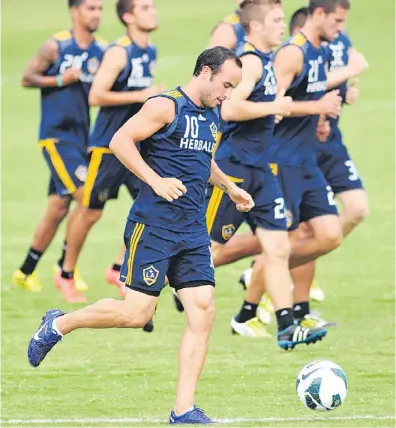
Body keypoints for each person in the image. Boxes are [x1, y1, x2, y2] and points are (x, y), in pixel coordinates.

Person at [28, 46, 254, 425]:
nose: (228, 94)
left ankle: (183, 410)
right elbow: (120, 140)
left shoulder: (212, 113)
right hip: (154, 226)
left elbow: (201, 157)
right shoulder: (165, 106)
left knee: (203, 309)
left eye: (233, 87)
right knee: (136, 314)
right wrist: (155, 180)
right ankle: (59, 323)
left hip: (192, 229)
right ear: (204, 72)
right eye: (226, 84)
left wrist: (229, 187)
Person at [208, 0, 329, 349]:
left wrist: (270, 114)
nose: (283, 25)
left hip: (262, 171)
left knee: (277, 247)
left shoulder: (269, 62)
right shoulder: (250, 63)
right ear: (256, 27)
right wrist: (274, 107)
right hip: (234, 171)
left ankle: (286, 325)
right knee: (207, 249)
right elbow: (230, 108)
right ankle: (146, 288)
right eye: (276, 20)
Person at [54, 0, 162, 306]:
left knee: (154, 203)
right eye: (145, 7)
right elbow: (96, 95)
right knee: (90, 212)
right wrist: (143, 95)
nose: (153, 11)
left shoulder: (149, 50)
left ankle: (117, 269)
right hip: (108, 147)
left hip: (137, 146)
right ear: (128, 16)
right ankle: (65, 273)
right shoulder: (119, 52)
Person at [13, 0, 105, 303]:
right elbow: (27, 78)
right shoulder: (56, 46)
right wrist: (60, 79)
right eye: (91, 8)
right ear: (74, 11)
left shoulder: (101, 51)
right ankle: (66, 268)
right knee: (86, 196)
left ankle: (25, 272)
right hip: (56, 137)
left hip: (81, 138)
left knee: (58, 208)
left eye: (100, 9)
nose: (96, 14)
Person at [288, 6, 369, 318]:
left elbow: (341, 85)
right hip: (302, 144)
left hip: (332, 142)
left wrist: (349, 90)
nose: (340, 25)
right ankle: (294, 306)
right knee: (307, 227)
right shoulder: (302, 45)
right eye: (337, 19)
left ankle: (267, 271)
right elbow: (305, 87)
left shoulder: (341, 37)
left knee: (356, 210)